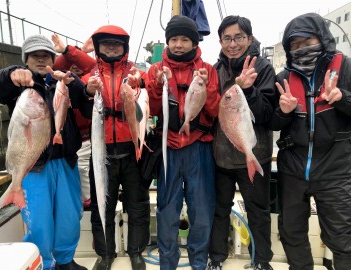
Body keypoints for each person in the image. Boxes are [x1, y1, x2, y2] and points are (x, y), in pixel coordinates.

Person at [0, 34, 91, 270]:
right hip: (34, 166)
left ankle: (65, 261)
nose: (40, 59)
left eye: (45, 55)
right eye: (34, 55)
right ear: (25, 59)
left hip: (66, 162)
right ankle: (44, 263)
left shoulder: (64, 81)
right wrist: (10, 74)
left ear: (53, 59)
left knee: (69, 217)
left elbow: (87, 105)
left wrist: (81, 87)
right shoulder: (18, 86)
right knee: (39, 220)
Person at [269, 12, 351, 270]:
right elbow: (273, 124)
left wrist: (341, 98)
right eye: (294, 45)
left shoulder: (345, 67)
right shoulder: (283, 78)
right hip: (293, 167)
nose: (301, 49)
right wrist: (283, 111)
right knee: (291, 231)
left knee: (342, 236)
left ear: (322, 39)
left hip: (336, 168)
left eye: (307, 42)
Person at [146, 15, 220, 270]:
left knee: (201, 211)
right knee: (167, 212)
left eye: (185, 39)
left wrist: (207, 86)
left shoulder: (207, 70)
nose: (178, 44)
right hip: (169, 149)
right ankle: (168, 264)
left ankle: (199, 263)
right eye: (174, 39)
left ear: (194, 42)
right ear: (168, 41)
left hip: (200, 147)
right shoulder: (156, 69)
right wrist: (157, 86)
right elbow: (153, 109)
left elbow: (214, 110)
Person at [208, 15, 276, 270]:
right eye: (227, 38)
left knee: (258, 210)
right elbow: (213, 108)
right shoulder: (215, 70)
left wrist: (249, 90)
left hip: (253, 153)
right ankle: (216, 257)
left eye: (238, 37)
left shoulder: (264, 68)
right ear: (220, 41)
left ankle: (261, 260)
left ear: (249, 38)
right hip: (221, 157)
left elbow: (268, 114)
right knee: (220, 210)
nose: (233, 44)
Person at [83, 25, 150, 270]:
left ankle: (136, 252)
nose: (112, 47)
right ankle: (105, 254)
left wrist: (141, 82)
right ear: (98, 47)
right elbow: (78, 105)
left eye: (117, 44)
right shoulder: (89, 75)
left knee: (138, 204)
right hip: (102, 153)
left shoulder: (135, 73)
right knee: (103, 204)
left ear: (125, 48)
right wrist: (85, 91)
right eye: (106, 44)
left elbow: (150, 92)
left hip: (132, 151)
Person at [52, 33, 97, 208]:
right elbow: (53, 66)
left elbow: (92, 65)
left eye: (79, 63)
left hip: (86, 138)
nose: (76, 67)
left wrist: (80, 53)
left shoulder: (90, 81)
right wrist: (76, 51)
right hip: (65, 140)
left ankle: (88, 202)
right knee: (73, 174)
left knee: (84, 171)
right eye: (72, 64)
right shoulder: (58, 81)